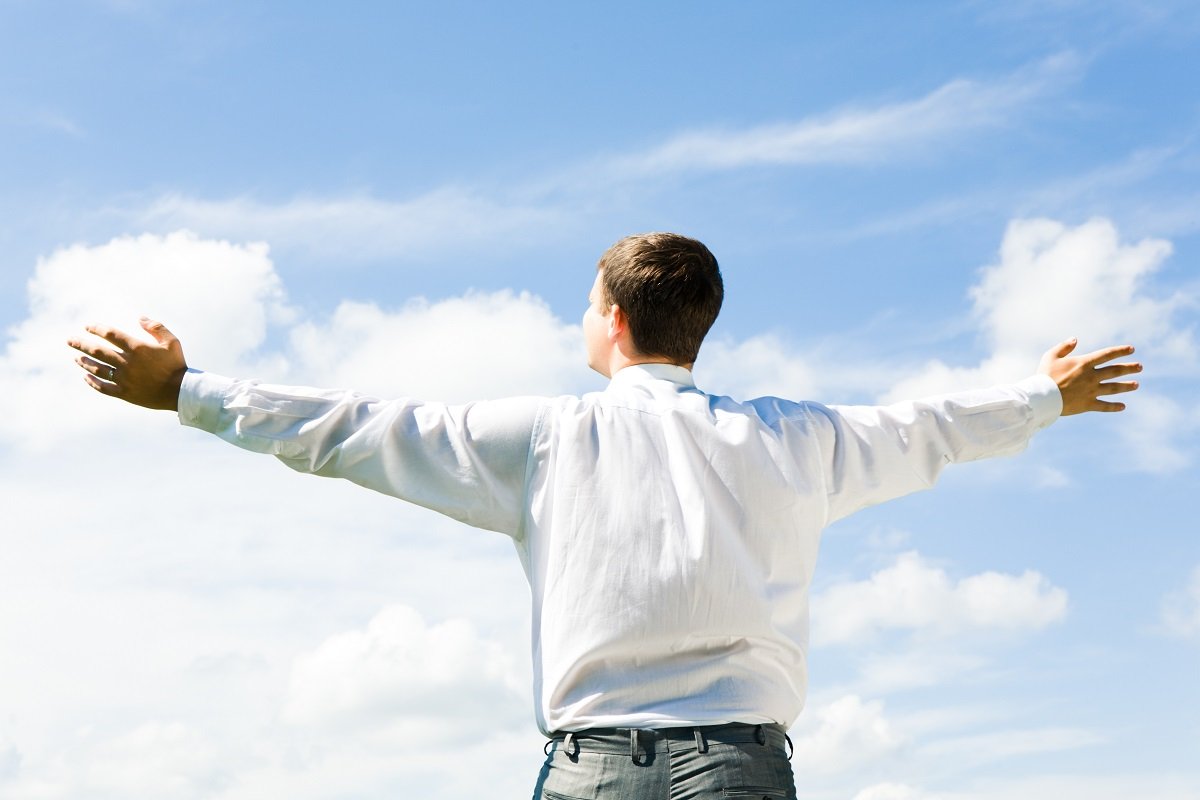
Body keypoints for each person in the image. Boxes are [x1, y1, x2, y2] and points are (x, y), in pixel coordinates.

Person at [67, 233, 1140, 799]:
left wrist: (189, 390)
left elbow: (359, 427)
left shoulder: (545, 438)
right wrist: (1048, 397)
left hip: (589, 771)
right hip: (741, 767)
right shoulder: (796, 439)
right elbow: (931, 426)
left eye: (586, 301)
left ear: (613, 322)